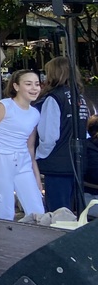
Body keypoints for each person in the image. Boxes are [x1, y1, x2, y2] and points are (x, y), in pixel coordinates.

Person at [0, 70, 45, 222]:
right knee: (3, 208)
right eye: (28, 84)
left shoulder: (35, 114)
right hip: (0, 158)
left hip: (23, 160)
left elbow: (30, 147)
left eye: (37, 84)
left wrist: (36, 175)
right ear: (16, 86)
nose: (34, 88)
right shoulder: (4, 106)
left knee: (37, 208)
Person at [36, 57, 92, 213]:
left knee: (58, 214)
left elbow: (49, 135)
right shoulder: (80, 97)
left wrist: (38, 155)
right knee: (74, 212)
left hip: (57, 164)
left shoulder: (54, 98)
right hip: (78, 161)